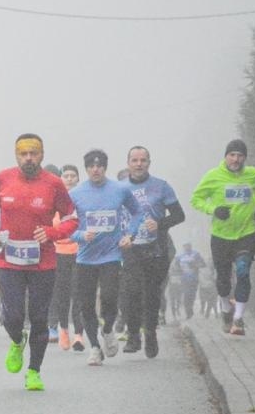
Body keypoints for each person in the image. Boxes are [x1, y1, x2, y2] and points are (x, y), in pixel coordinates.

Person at [0, 134, 77, 390]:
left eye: (33, 153)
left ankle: (34, 371)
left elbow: (71, 218)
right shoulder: (3, 179)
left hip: (42, 262)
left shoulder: (54, 183)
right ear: (16, 156)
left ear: (42, 155)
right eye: (23, 154)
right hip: (8, 260)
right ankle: (17, 340)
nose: (29, 158)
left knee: (39, 317)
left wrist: (52, 232)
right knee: (12, 316)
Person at [67, 149, 142, 366]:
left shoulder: (119, 189)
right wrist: (81, 235)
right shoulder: (75, 193)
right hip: (85, 258)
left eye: (99, 166)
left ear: (105, 168)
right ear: (86, 169)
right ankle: (94, 347)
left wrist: (130, 234)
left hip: (111, 255)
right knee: (86, 305)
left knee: (109, 298)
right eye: (91, 166)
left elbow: (137, 212)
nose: (95, 169)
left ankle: (108, 328)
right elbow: (64, 224)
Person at [192, 139, 255, 336]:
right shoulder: (213, 176)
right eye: (232, 155)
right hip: (221, 236)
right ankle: (226, 309)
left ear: (245, 158)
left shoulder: (252, 174)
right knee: (223, 279)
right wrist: (214, 209)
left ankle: (238, 318)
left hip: (246, 233)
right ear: (225, 156)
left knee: (243, 271)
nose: (236, 159)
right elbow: (196, 199)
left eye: (240, 155)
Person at [117, 146, 185, 357]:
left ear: (149, 163)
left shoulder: (161, 186)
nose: (139, 164)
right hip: (130, 248)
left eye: (143, 160)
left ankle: (150, 334)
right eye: (135, 160)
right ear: (128, 163)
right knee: (131, 291)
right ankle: (133, 336)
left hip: (155, 249)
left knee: (151, 294)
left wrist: (160, 224)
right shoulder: (120, 188)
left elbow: (179, 215)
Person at [50, 164, 83, 351]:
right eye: (66, 176)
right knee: (61, 295)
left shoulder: (83, 200)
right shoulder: (54, 200)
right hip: (58, 254)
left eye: (73, 176)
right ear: (60, 179)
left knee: (78, 294)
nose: (69, 179)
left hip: (80, 253)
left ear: (78, 179)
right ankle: (63, 330)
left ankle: (78, 334)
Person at [175, 241, 207, 319]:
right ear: (183, 247)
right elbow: (176, 267)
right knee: (186, 295)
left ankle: (190, 309)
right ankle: (188, 312)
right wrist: (179, 271)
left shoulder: (196, 254)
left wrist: (195, 265)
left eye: (188, 246)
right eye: (185, 246)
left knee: (192, 295)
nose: (187, 247)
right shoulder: (179, 256)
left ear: (191, 246)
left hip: (194, 279)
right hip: (184, 279)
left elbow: (203, 264)